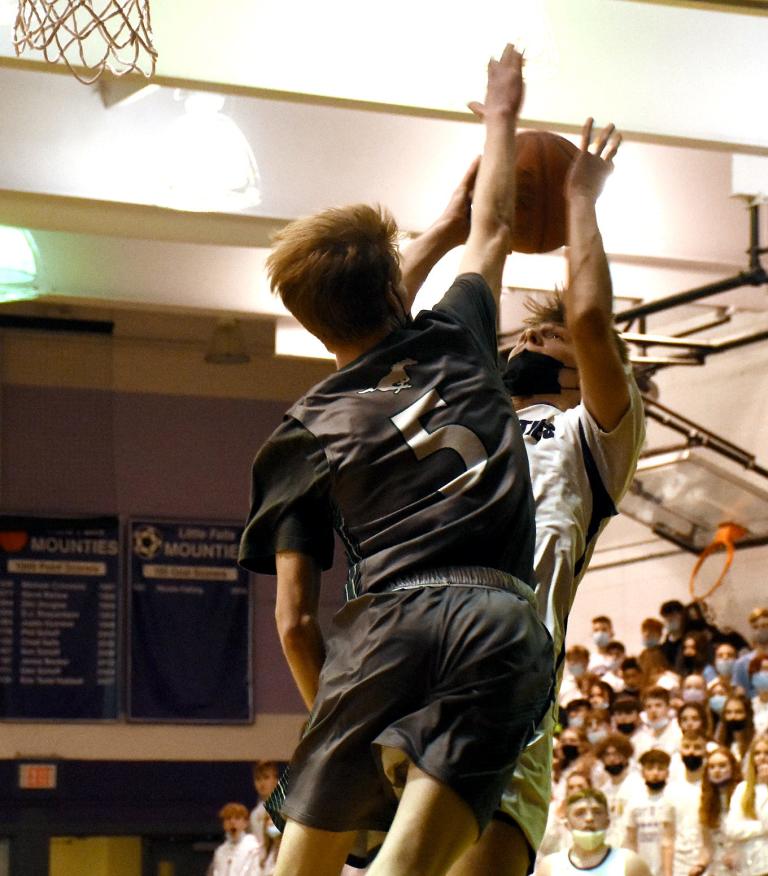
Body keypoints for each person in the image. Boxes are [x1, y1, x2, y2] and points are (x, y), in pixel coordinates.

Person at [239, 45, 555, 876]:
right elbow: (494, 230)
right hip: (495, 619)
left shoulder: (300, 432)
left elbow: (296, 623)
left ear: (308, 324)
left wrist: (346, 723)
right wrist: (500, 114)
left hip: (383, 630)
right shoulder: (457, 335)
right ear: (396, 290)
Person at [440, 118, 645, 875]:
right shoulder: (471, 418)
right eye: (520, 341)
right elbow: (407, 328)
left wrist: (581, 202)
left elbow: (590, 320)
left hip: (507, 683)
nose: (527, 345)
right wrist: (468, 217)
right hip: (420, 665)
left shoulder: (593, 437)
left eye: (545, 343)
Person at [536, 789, 650, 876]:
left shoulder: (629, 862)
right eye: (580, 813)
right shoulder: (551, 866)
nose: (589, 818)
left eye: (597, 812)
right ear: (567, 824)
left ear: (607, 822)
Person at [724, 735, 768, 876]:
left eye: (767, 753)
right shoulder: (742, 788)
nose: (762, 757)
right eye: (757, 753)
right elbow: (732, 829)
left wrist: (762, 787)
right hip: (748, 866)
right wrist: (763, 828)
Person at [660, 733, 708, 876]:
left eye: (697, 747)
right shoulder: (671, 790)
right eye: (686, 747)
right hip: (679, 865)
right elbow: (668, 837)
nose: (691, 752)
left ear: (705, 751)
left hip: (709, 864)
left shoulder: (711, 787)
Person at [625, 749, 671, 874]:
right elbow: (630, 840)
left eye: (660, 768)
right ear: (642, 772)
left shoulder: (673, 799)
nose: (655, 773)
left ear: (667, 772)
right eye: (650, 768)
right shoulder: (634, 802)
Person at [698, 746, 742, 876]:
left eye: (722, 766)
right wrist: (700, 865)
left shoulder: (742, 794)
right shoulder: (706, 802)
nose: (717, 771)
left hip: (744, 863)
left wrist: (737, 855)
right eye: (712, 767)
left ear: (733, 768)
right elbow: (707, 847)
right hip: (719, 867)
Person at [732, 609, 768, 696]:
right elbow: (740, 694)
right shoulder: (741, 663)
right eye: (755, 627)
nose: (760, 630)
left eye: (765, 626)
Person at [210, 802, 261, 876]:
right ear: (223, 824)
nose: (232, 822)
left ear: (246, 822)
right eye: (228, 818)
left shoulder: (253, 847)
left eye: (237, 818)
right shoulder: (220, 851)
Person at [715, 692, 756, 762]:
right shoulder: (717, 743)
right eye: (728, 712)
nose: (733, 717)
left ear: (747, 714)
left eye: (738, 712)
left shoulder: (756, 740)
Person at [249, 761, 280, 850]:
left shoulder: (287, 807)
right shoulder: (254, 814)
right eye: (258, 779)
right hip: (261, 860)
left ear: (276, 779)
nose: (262, 783)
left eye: (266, 777)